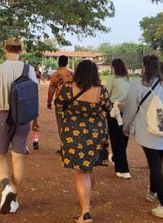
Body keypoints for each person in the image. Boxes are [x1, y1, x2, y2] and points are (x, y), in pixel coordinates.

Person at [0, 38, 40, 214]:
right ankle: (13, 198)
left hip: (3, 117)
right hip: (23, 119)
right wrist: (36, 119)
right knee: (18, 159)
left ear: (5, 49)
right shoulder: (28, 70)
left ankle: (6, 188)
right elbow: (33, 98)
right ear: (20, 51)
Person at [122, 55, 163, 219]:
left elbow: (129, 108)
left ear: (144, 68)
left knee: (156, 166)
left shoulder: (137, 84)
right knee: (156, 162)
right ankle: (152, 191)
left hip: (147, 133)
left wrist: (126, 126)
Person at [54, 60, 111, 222]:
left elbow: (58, 106)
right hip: (96, 133)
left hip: (73, 132)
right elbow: (108, 107)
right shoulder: (102, 90)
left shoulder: (67, 89)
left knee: (80, 171)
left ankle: (85, 212)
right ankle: (87, 199)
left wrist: (66, 122)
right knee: (89, 166)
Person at [105, 58, 131, 179]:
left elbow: (106, 95)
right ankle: (116, 157)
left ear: (113, 67)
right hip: (127, 110)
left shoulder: (112, 79)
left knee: (116, 139)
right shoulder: (127, 79)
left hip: (115, 111)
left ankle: (122, 169)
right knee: (124, 137)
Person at [47, 55, 73, 145]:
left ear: (58, 63)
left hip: (60, 104)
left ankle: (64, 145)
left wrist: (49, 101)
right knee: (71, 123)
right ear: (67, 63)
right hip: (72, 103)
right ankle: (71, 144)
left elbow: (51, 89)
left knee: (61, 124)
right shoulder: (72, 74)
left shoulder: (55, 75)